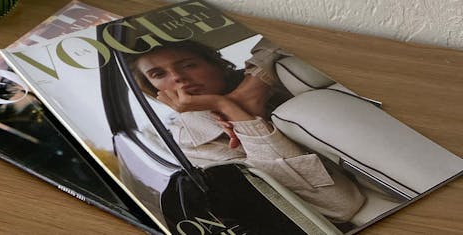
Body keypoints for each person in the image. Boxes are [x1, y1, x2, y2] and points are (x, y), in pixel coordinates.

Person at [129, 40, 366, 230]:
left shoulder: (278, 76)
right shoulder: (195, 145)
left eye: (188, 65)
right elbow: (340, 206)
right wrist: (231, 109)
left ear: (217, 65)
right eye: (159, 74)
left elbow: (283, 39)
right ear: (154, 91)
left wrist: (256, 83)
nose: (178, 78)